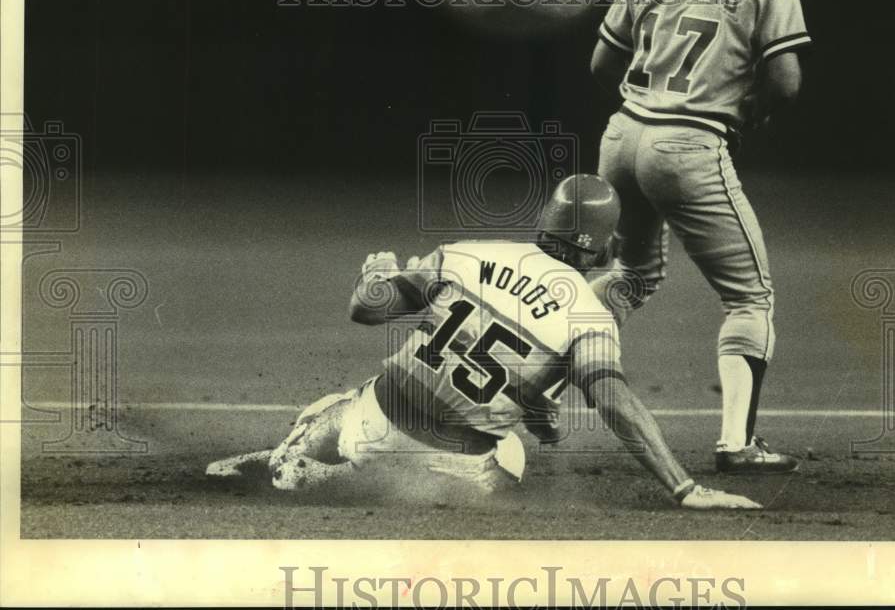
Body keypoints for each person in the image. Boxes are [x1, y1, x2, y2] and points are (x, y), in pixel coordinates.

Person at [207, 174, 760, 510]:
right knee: (512, 452)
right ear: (597, 250)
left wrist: (376, 271)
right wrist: (685, 488)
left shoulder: (470, 251)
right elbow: (614, 403)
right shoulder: (591, 316)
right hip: (445, 471)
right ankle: (334, 477)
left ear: (546, 224)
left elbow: (365, 309)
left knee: (341, 401)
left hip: (373, 419)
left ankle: (295, 457)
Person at [589, 0, 811, 473]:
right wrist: (745, 112)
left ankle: (532, 383)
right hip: (687, 145)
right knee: (751, 298)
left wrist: (649, 101)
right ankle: (737, 444)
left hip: (623, 136)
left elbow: (602, 63)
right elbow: (788, 81)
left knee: (631, 276)